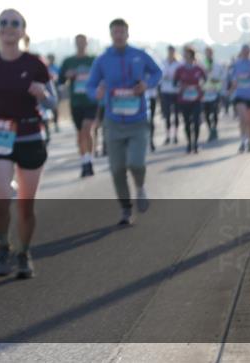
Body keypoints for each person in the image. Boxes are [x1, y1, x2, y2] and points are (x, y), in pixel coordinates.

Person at [0, 9, 55, 279]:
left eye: (14, 23)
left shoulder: (35, 64)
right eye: (3, 23)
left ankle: (24, 252)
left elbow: (54, 100)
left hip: (30, 134)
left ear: (23, 30)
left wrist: (43, 94)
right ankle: (2, 246)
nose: (8, 27)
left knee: (25, 204)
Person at [86, 19, 163, 227]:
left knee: (136, 163)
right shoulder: (102, 60)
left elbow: (158, 72)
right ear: (111, 35)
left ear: (127, 34)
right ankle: (126, 209)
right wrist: (97, 93)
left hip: (137, 119)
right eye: (115, 32)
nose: (118, 35)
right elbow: (91, 85)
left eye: (122, 32)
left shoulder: (139, 55)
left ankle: (140, 187)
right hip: (113, 121)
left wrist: (147, 84)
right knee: (117, 168)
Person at [58, 35, 98, 177]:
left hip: (91, 101)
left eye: (83, 41)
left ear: (87, 43)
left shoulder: (93, 60)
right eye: (78, 41)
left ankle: (90, 160)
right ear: (75, 43)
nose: (81, 44)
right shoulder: (68, 61)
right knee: (80, 133)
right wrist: (67, 75)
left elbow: (102, 77)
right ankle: (84, 161)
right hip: (76, 102)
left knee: (88, 129)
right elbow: (60, 81)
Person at [228, 45, 250, 153]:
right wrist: (230, 92)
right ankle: (243, 142)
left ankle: (249, 141)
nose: (246, 53)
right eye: (244, 51)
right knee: (243, 119)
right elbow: (233, 80)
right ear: (241, 52)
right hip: (240, 96)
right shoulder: (236, 65)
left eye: (248, 52)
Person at [173, 46, 207, 154]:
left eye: (187, 54)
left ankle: (195, 144)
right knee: (187, 123)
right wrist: (181, 86)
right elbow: (175, 83)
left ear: (192, 55)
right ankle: (189, 144)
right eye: (184, 54)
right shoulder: (180, 69)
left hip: (196, 99)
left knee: (196, 122)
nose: (185, 56)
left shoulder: (199, 68)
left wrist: (200, 86)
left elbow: (205, 80)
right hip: (184, 100)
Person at [159, 45, 181, 145]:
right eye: (169, 51)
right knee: (167, 115)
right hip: (165, 91)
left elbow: (180, 77)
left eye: (172, 51)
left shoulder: (178, 64)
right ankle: (168, 135)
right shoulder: (163, 63)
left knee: (176, 114)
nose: (170, 53)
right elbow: (159, 75)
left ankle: (176, 135)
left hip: (175, 91)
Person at [202, 46, 225, 141]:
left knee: (214, 112)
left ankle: (214, 128)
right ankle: (210, 130)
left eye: (210, 52)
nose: (208, 54)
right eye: (207, 52)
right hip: (204, 93)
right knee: (206, 114)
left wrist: (217, 84)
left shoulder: (218, 64)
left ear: (212, 53)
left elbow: (222, 77)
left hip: (215, 92)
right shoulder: (202, 64)